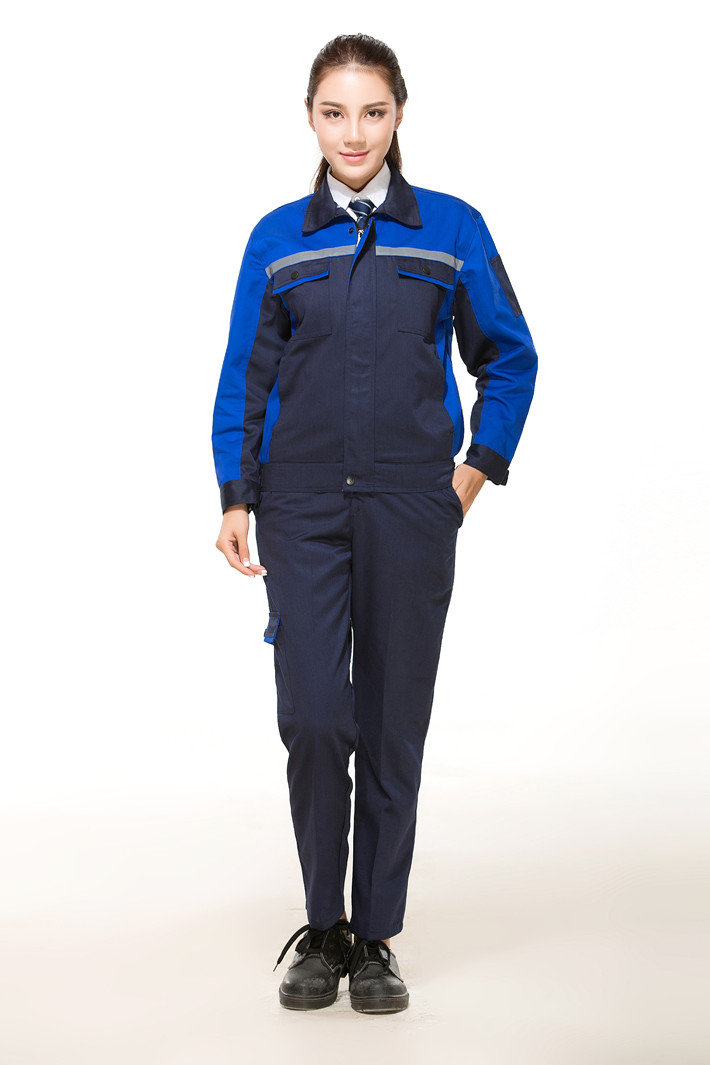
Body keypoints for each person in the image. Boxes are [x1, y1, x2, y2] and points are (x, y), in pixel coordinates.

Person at [212, 33, 537, 1014]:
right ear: (310, 118)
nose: (353, 133)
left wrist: (467, 478)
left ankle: (376, 936)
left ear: (398, 115)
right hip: (302, 507)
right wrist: (236, 494)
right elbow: (245, 375)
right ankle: (323, 925)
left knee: (393, 725)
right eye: (334, 112)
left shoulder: (450, 228)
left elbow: (509, 358)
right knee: (316, 718)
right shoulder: (278, 238)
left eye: (372, 111)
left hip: (409, 506)